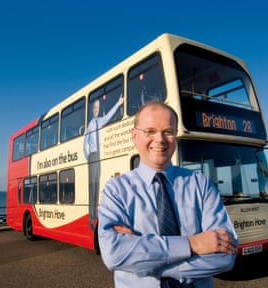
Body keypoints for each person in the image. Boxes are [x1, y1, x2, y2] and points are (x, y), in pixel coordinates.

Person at [98, 101, 238, 288]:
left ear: (176, 137)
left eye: (168, 132)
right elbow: (114, 254)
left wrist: (145, 265)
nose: (160, 139)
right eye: (150, 131)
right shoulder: (116, 190)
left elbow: (225, 257)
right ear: (134, 136)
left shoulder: (201, 185)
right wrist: (192, 244)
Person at [84, 95, 124, 230]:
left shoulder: (100, 121)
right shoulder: (90, 125)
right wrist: (88, 157)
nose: (96, 109)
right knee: (92, 187)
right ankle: (90, 219)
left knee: (97, 185)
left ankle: (95, 214)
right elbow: (85, 144)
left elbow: (109, 117)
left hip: (99, 156)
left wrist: (118, 104)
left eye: (98, 107)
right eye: (94, 107)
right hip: (93, 157)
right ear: (91, 109)